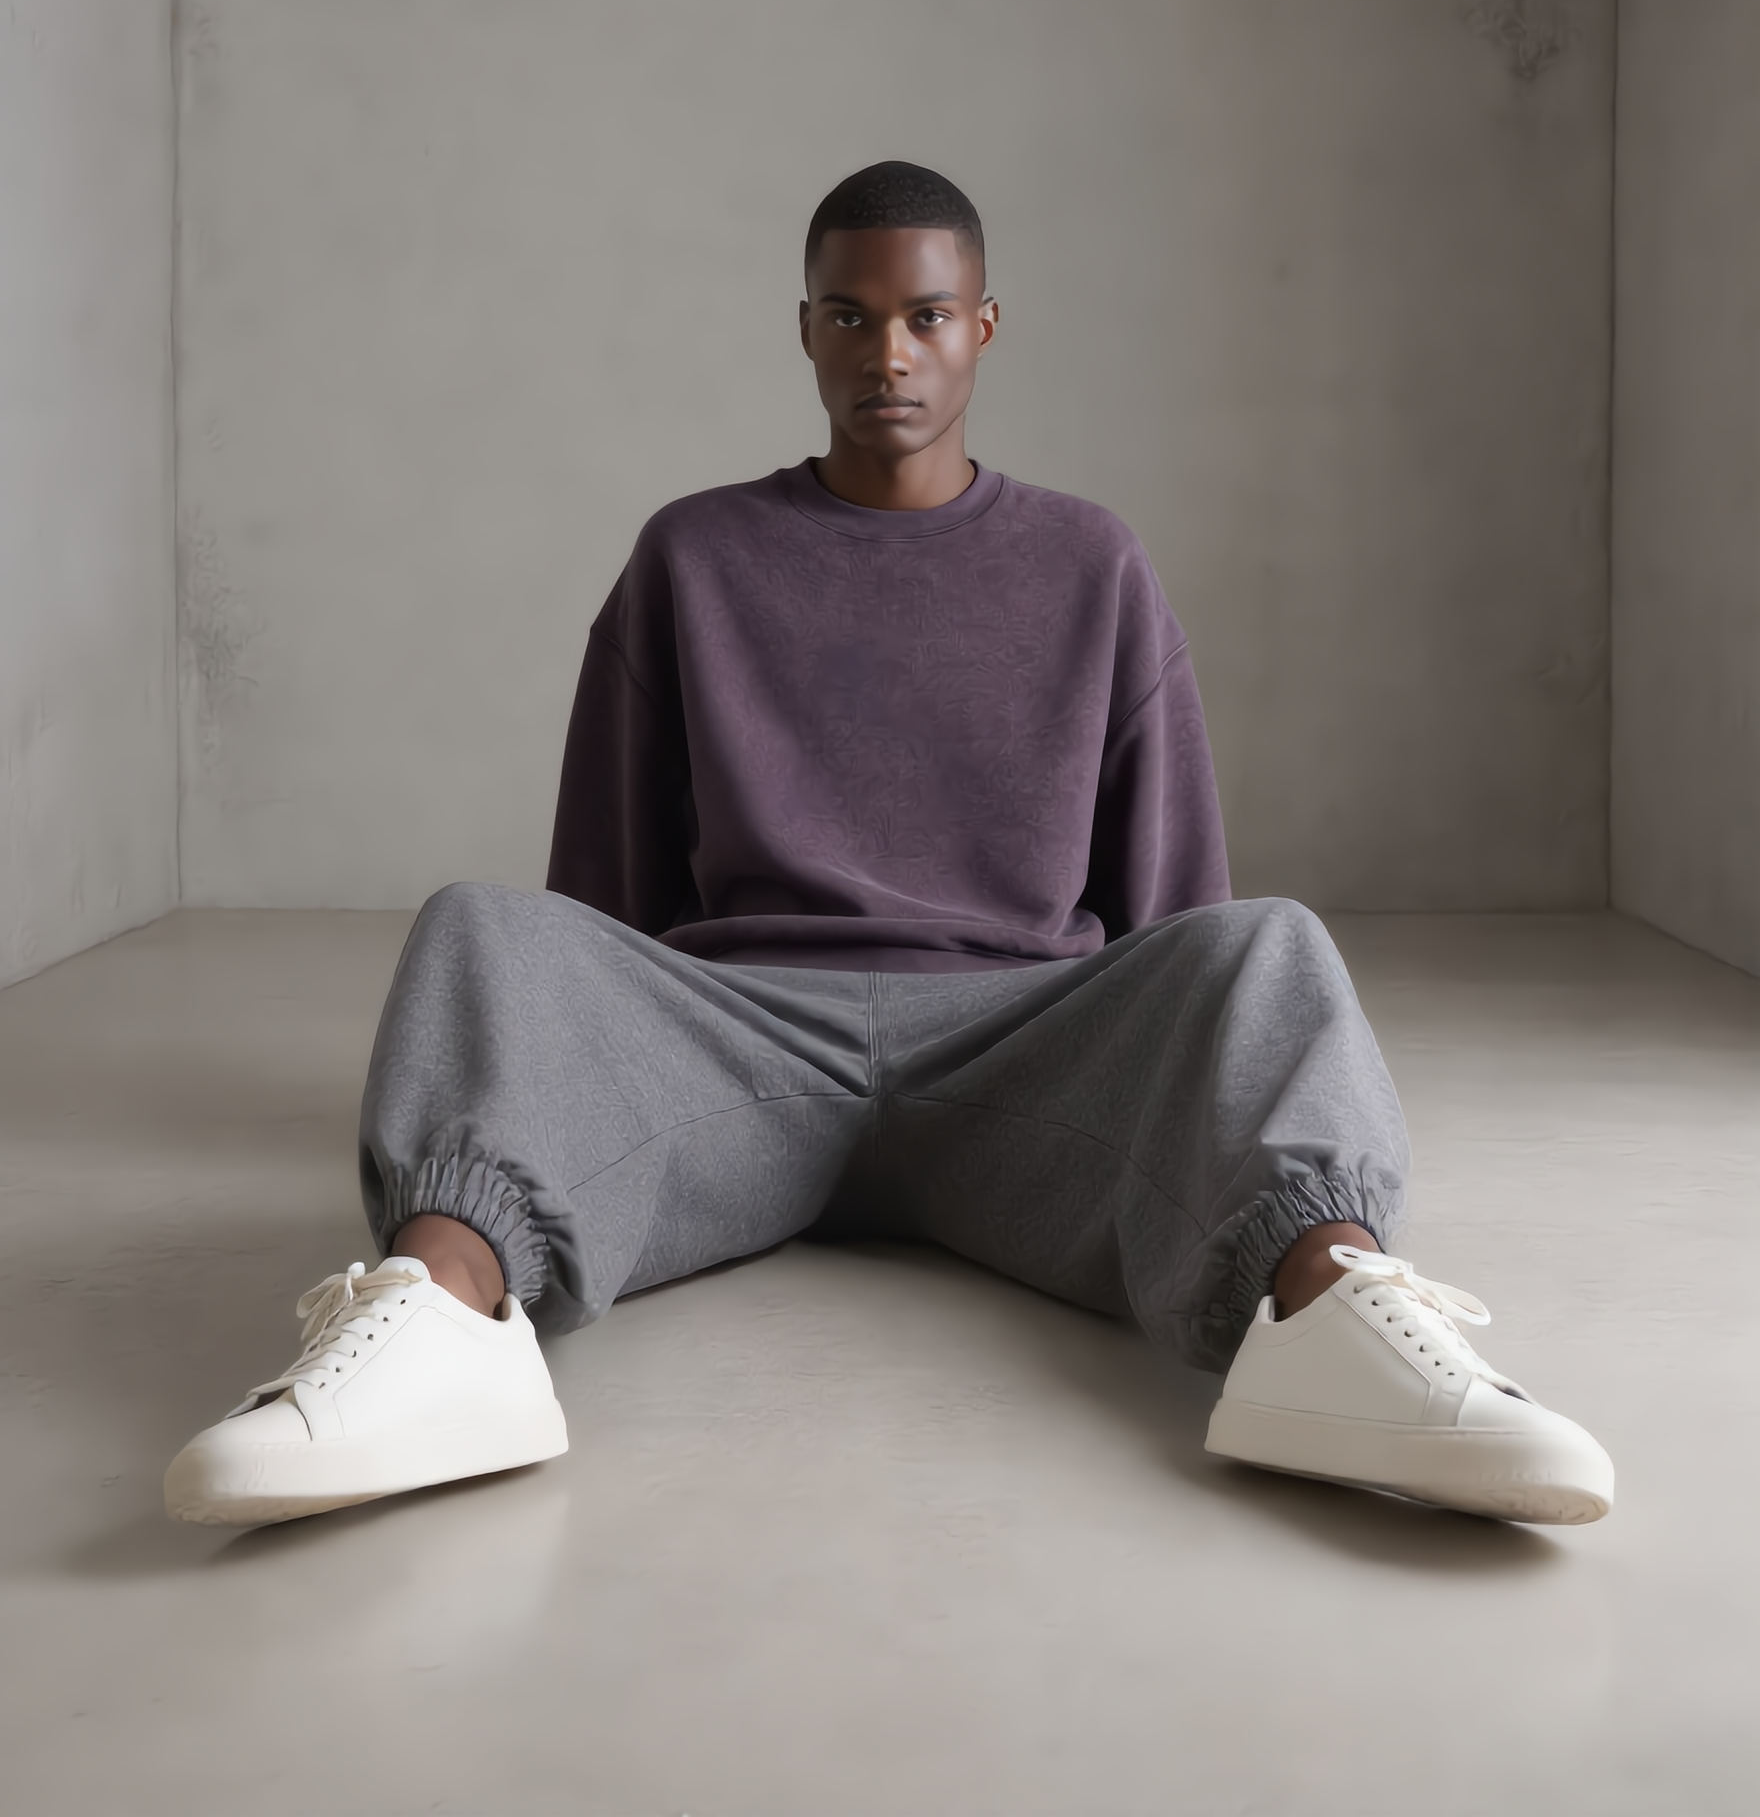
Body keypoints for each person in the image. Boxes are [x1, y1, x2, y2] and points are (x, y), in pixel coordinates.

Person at [164, 160, 1613, 1532]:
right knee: (482, 930)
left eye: (925, 317)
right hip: (744, 1047)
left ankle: (1330, 1314)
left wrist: (1206, 1084)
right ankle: (440, 1325)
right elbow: (591, 923)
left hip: (1024, 1055)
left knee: (1270, 947)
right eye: (850, 317)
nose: (889, 356)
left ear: (984, 326)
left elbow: (1182, 932)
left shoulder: (1089, 562)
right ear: (803, 329)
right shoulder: (696, 556)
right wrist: (578, 1055)